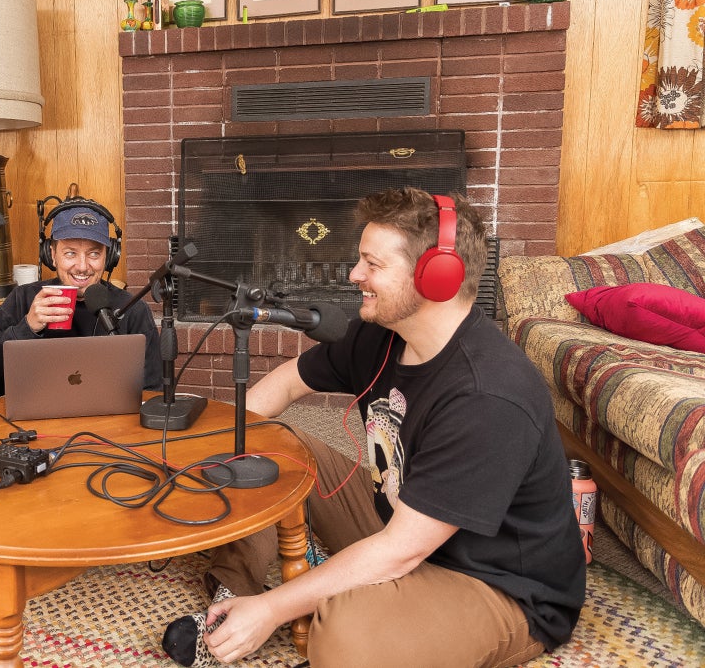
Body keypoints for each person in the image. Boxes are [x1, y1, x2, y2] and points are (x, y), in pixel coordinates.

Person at [161, 187, 585, 667]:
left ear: (438, 278)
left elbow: (400, 552)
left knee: (345, 635)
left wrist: (274, 609)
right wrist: (213, 444)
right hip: (400, 520)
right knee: (268, 448)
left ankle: (283, 613)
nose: (353, 275)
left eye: (372, 264)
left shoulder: (488, 394)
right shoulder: (381, 334)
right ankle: (232, 596)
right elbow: (287, 381)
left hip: (496, 584)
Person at [0, 202, 161, 399]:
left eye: (94, 253)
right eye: (70, 253)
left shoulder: (133, 310)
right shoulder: (23, 299)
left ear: (109, 257)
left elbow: (152, 393)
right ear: (52, 255)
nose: (82, 266)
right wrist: (27, 327)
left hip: (108, 426)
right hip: (35, 425)